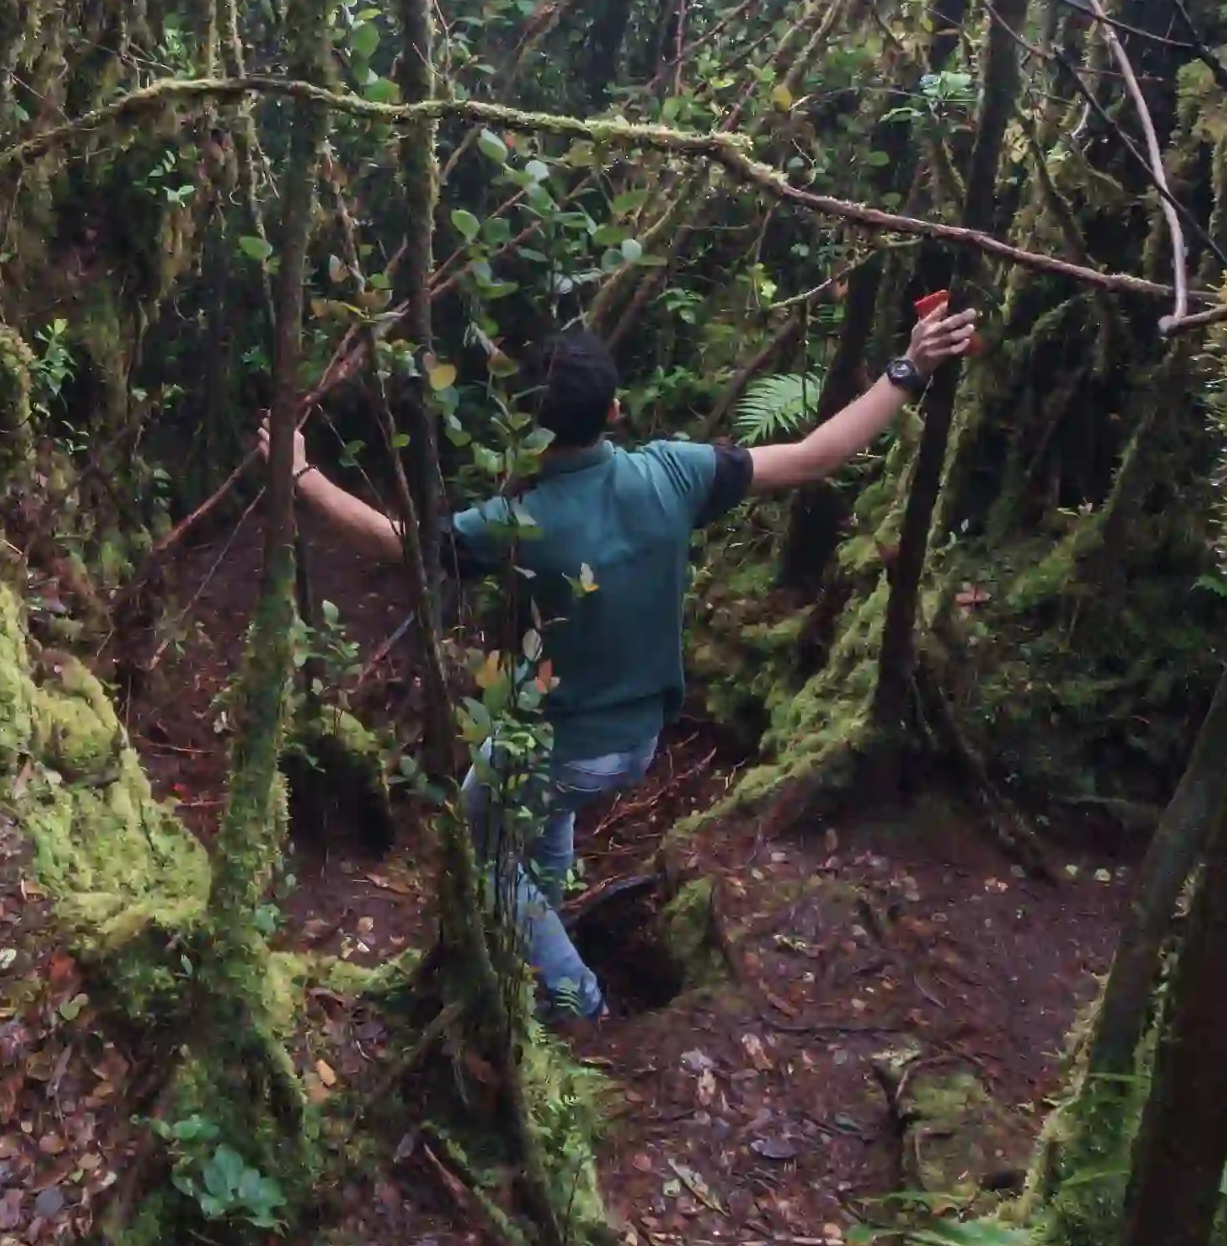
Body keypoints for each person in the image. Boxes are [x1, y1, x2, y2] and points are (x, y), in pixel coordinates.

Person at [271, 298, 979, 1020]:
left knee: (479, 838)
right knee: (540, 815)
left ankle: (571, 993)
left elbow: (397, 540)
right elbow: (813, 457)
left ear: (529, 429)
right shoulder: (673, 473)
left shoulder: (520, 522)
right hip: (635, 745)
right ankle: (535, 923)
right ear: (613, 412)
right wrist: (909, 366)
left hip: (562, 748)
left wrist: (300, 476)